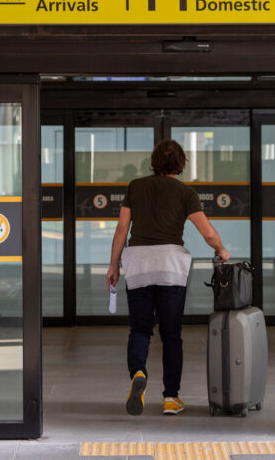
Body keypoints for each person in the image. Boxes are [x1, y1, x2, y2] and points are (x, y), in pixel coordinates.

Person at [106, 140, 231, 416]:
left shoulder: (135, 186)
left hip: (138, 264)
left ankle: (138, 372)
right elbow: (207, 232)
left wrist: (113, 265)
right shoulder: (186, 192)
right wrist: (220, 249)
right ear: (180, 163)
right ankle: (171, 398)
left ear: (154, 161)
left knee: (140, 329)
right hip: (170, 266)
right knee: (171, 334)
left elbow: (121, 230)